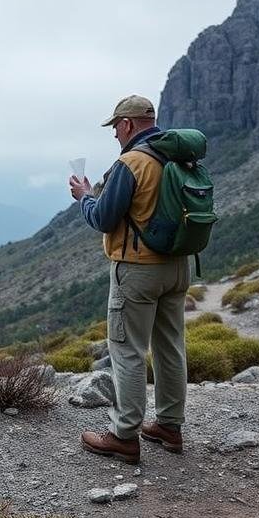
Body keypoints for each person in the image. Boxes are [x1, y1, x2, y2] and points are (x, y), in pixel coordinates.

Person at [67, 94, 189, 465]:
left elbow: (104, 218)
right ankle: (169, 426)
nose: (115, 135)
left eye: (115, 127)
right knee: (170, 346)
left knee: (127, 350)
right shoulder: (178, 156)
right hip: (178, 266)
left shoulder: (132, 161)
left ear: (127, 124)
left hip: (137, 270)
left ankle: (123, 435)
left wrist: (84, 197)